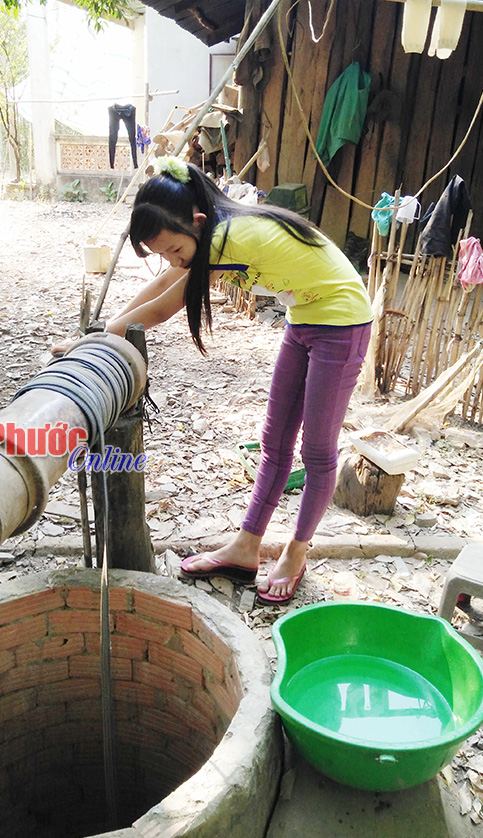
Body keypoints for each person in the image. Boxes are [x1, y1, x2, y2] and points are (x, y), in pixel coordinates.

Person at [61, 155, 373, 604]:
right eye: (162, 253)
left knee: (317, 451)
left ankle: (296, 552)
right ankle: (246, 548)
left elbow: (165, 306)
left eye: (173, 249)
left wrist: (92, 340)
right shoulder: (207, 232)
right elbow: (161, 286)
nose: (171, 259)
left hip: (342, 322)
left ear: (198, 222)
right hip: (303, 317)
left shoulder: (229, 237)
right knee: (274, 441)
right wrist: (101, 330)